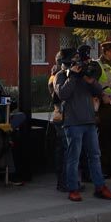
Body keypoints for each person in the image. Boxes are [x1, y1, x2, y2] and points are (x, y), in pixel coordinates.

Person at [56, 52, 111, 202]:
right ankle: (73, 189)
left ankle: (100, 187)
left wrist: (90, 80)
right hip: (73, 122)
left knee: (95, 156)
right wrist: (73, 77)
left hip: (89, 121)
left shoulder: (84, 76)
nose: (78, 65)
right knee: (73, 158)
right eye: (74, 62)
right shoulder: (61, 76)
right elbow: (62, 94)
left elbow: (98, 91)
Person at [48, 49, 76, 192]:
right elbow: (60, 95)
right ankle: (63, 181)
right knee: (66, 150)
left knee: (65, 150)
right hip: (62, 116)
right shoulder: (58, 76)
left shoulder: (58, 74)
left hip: (62, 116)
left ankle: (65, 180)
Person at [96, 40, 111, 178]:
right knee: (104, 140)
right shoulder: (98, 65)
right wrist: (101, 94)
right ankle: (104, 168)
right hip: (104, 108)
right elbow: (92, 85)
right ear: (106, 52)